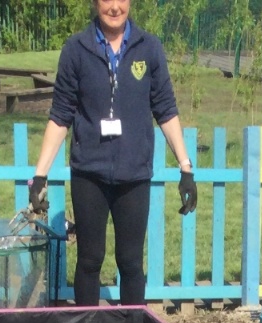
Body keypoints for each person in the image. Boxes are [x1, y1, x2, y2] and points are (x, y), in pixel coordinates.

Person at [27, 0, 197, 306]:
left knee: (130, 262)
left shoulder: (149, 48)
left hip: (134, 174)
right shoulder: (76, 49)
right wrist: (40, 175)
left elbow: (166, 110)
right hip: (89, 174)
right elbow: (61, 115)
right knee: (89, 260)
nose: (115, 7)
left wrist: (186, 168)